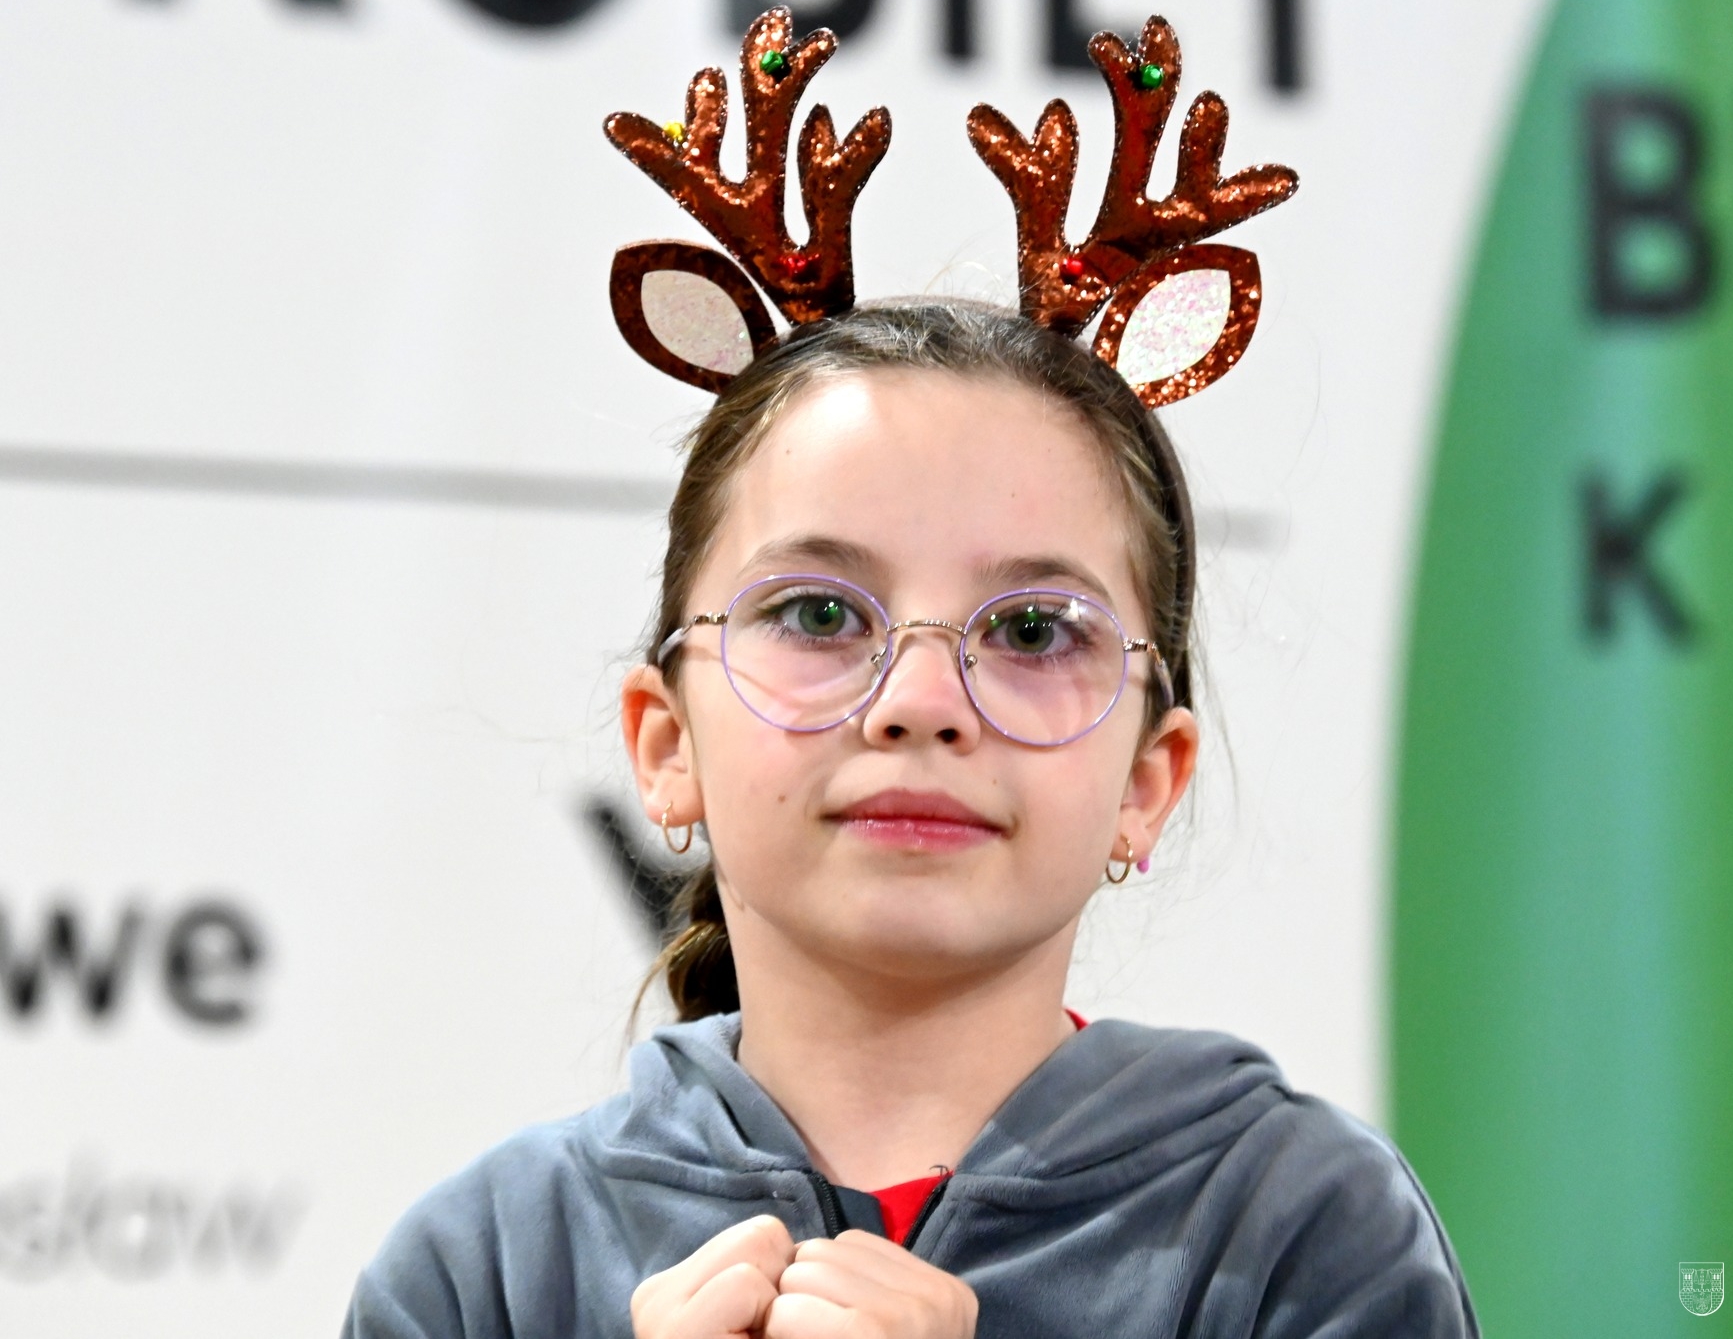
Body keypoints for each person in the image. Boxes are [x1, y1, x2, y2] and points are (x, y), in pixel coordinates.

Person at [342, 301, 1480, 1339]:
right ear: (667, 745)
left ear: (1145, 782)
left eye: (1033, 631)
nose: (922, 700)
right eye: (818, 613)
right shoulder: (481, 1274)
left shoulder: (1299, 1234)